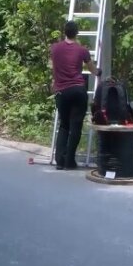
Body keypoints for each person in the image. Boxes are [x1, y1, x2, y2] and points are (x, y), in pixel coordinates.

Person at [50, 20, 99, 170]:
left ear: (64, 32)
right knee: (75, 126)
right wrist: (99, 72)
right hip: (78, 90)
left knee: (64, 125)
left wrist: (54, 83)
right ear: (77, 33)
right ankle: (69, 161)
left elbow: (53, 68)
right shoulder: (82, 50)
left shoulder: (54, 49)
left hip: (62, 92)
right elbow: (92, 70)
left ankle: (60, 161)